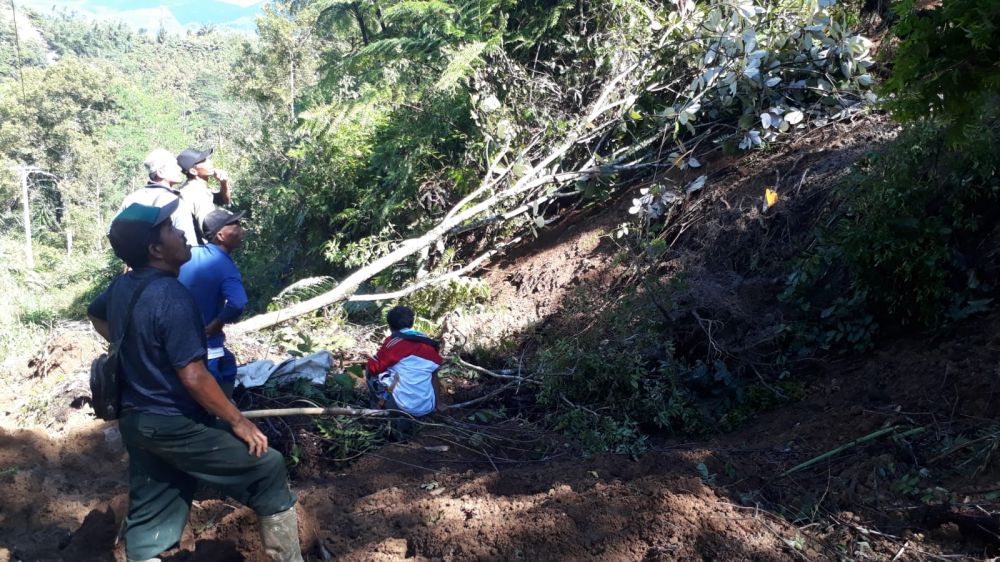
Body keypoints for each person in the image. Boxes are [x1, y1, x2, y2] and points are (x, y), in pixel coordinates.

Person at [87, 201, 304, 562]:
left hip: (136, 420)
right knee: (267, 467)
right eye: (171, 230)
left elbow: (96, 313)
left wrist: (134, 348)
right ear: (156, 250)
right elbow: (193, 375)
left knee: (157, 498)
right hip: (171, 422)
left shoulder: (124, 285)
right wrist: (239, 421)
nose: (183, 233)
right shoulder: (171, 296)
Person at [178, 209, 249, 397]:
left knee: (229, 363)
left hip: (177, 339)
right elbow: (237, 303)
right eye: (236, 226)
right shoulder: (225, 266)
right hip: (205, 343)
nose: (242, 231)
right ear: (220, 235)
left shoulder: (188, 254)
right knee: (213, 386)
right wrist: (217, 324)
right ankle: (220, 416)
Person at [366, 306, 445, 423]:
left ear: (390, 325)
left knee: (370, 370)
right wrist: (439, 403)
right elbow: (434, 375)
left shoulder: (393, 342)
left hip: (402, 407)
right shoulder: (427, 342)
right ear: (411, 322)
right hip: (427, 407)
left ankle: (378, 405)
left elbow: (373, 368)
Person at [121, 149, 199, 245]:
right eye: (174, 166)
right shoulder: (175, 203)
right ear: (160, 173)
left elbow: (112, 231)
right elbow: (190, 245)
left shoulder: (131, 199)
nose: (179, 169)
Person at [177, 146, 232, 242]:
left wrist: (224, 183)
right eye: (203, 161)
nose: (209, 162)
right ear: (193, 171)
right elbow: (210, 230)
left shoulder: (196, 186)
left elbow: (224, 200)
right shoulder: (195, 192)